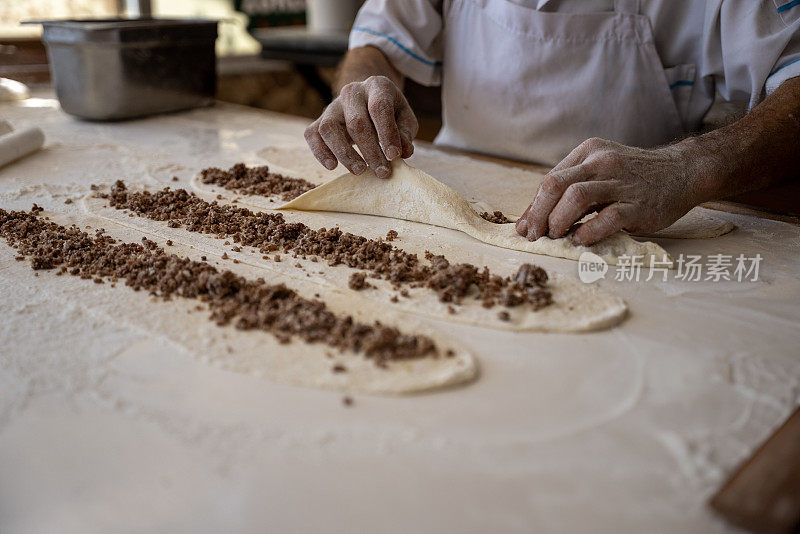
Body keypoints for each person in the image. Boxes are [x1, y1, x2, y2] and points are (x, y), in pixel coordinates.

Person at [304, 0, 800, 245]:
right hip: (453, 208)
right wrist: (364, 85)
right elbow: (375, 44)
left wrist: (693, 167)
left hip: (625, 225)